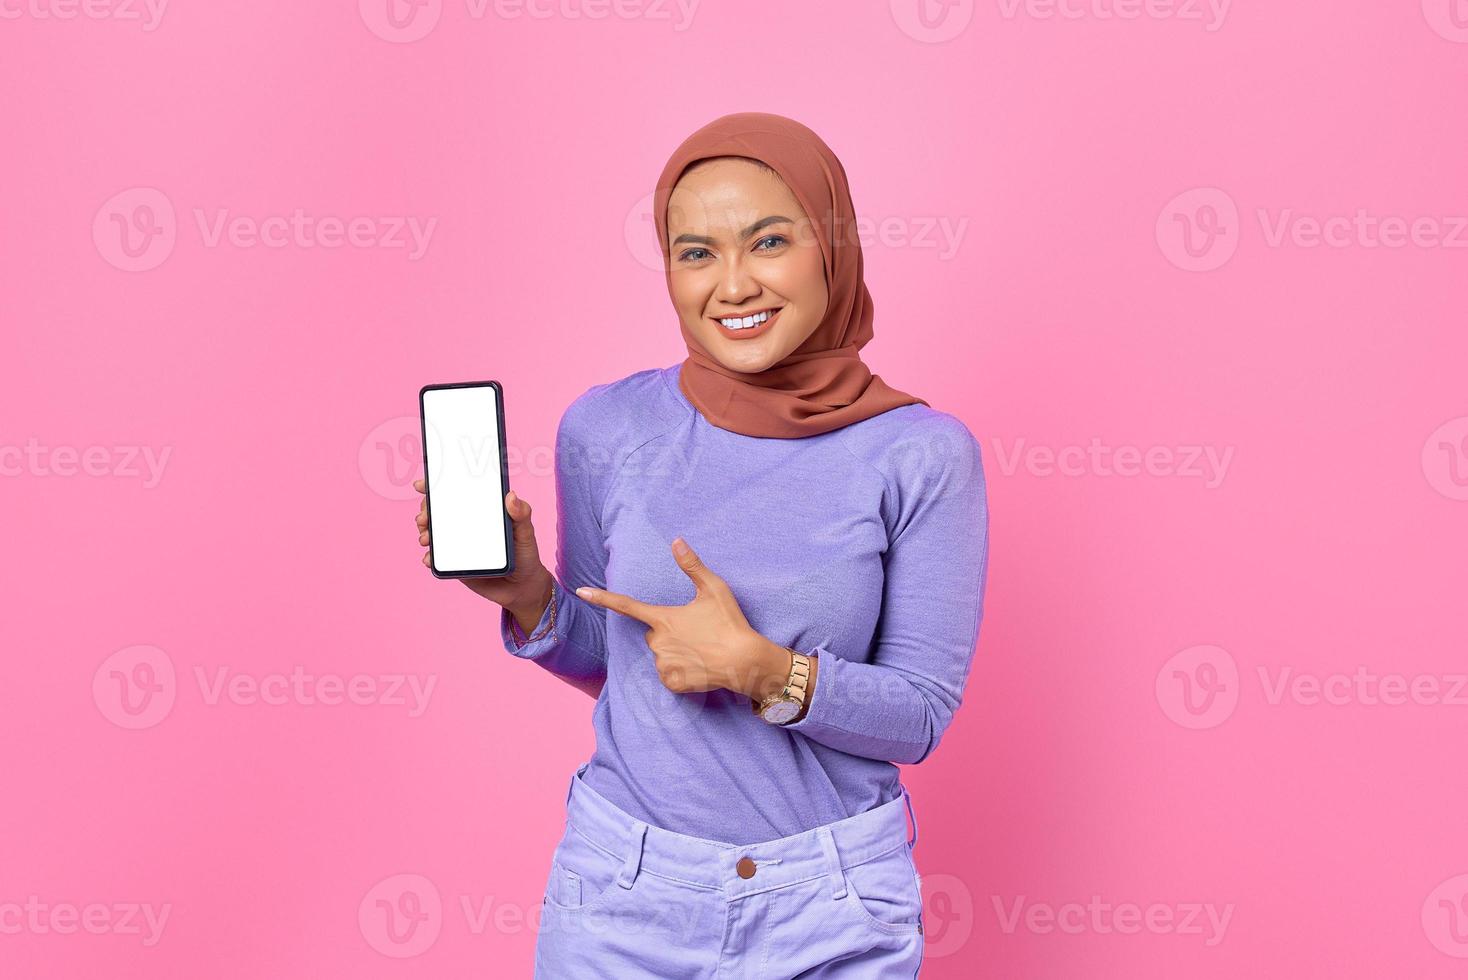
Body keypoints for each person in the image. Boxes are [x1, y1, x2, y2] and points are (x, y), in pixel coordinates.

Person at [413, 111, 989, 977]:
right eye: (695, 253)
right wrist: (528, 592)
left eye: (767, 242)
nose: (732, 286)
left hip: (830, 906)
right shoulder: (608, 428)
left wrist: (763, 670)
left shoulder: (921, 454)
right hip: (623, 896)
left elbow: (918, 717)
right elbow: (619, 657)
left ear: (831, 247)